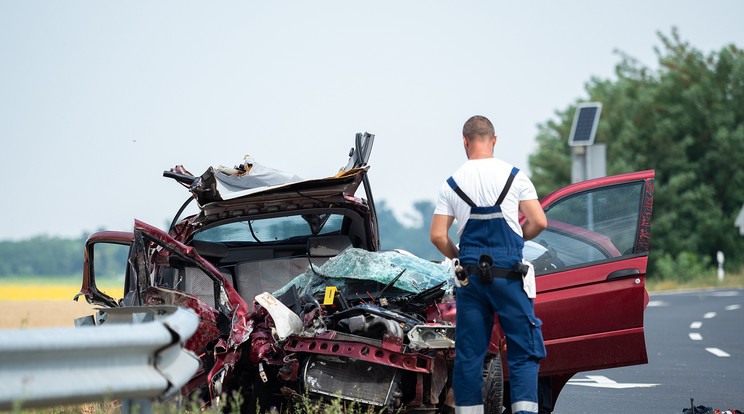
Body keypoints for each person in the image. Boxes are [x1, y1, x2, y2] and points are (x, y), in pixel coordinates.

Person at [430, 115, 548, 414]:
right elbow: (539, 221)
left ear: (465, 142)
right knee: (522, 350)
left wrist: (460, 255)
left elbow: (437, 236)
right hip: (509, 275)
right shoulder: (514, 176)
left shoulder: (452, 183)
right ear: (494, 140)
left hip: (470, 278)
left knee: (470, 354)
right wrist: (517, 241)